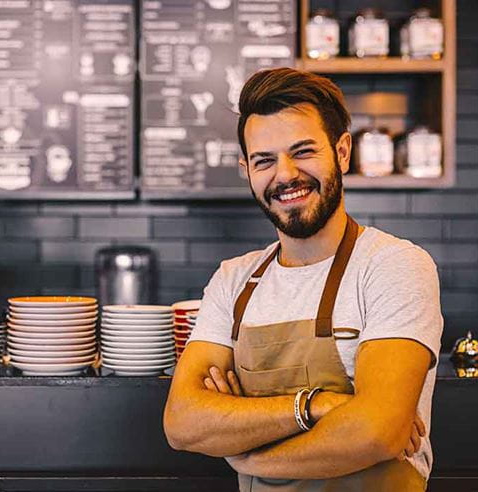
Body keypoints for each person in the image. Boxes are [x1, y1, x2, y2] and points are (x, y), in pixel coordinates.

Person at [163, 67, 443, 491]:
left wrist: (248, 456)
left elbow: (377, 433)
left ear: (342, 151)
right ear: (247, 170)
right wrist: (318, 406)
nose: (286, 174)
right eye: (264, 160)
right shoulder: (233, 281)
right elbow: (183, 423)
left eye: (303, 151)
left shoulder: (393, 266)